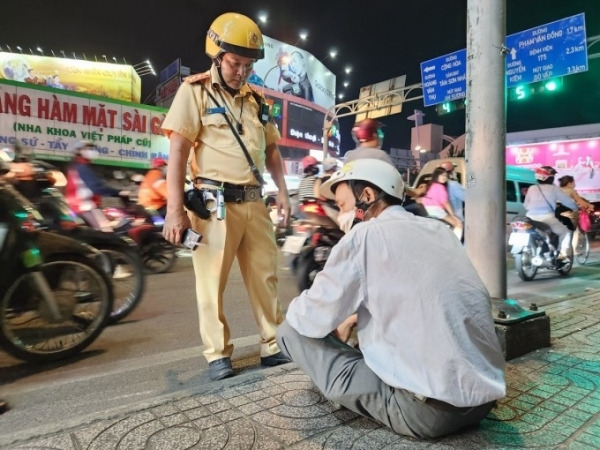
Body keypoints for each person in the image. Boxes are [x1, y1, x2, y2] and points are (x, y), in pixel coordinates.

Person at [276, 158, 506, 439]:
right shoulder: (439, 230)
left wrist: (331, 321)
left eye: (343, 205)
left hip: (427, 413)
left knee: (289, 330)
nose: (341, 214)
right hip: (482, 400)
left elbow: (309, 318)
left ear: (368, 196)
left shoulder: (364, 236)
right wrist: (352, 317)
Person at [161, 12, 292, 381]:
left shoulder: (258, 102)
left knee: (265, 277)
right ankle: (217, 354)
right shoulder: (195, 92)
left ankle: (273, 344)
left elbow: (272, 153)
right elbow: (178, 152)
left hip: (254, 203)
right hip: (214, 205)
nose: (242, 72)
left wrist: (283, 192)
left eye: (248, 65)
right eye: (236, 63)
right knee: (210, 283)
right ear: (216, 55)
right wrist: (175, 211)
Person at [65, 140, 127, 231]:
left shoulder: (77, 166)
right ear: (79, 151)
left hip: (81, 208)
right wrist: (118, 192)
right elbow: (95, 187)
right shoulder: (82, 167)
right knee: (106, 233)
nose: (91, 150)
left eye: (92, 148)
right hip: (85, 208)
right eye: (88, 148)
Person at [524, 166, 574, 259]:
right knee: (566, 232)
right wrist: (575, 207)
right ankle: (562, 254)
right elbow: (568, 202)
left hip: (530, 217)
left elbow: (526, 205)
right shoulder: (554, 189)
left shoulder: (532, 188)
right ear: (550, 178)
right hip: (546, 217)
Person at [421, 167, 463, 240]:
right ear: (437, 175)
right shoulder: (440, 187)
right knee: (458, 224)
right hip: (436, 210)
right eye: (442, 175)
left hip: (429, 210)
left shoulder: (431, 185)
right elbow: (445, 202)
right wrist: (453, 215)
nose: (444, 177)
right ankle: (455, 245)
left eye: (446, 175)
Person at [558, 174, 594, 252]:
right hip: (569, 213)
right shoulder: (571, 190)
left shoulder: (556, 190)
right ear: (569, 183)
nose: (574, 184)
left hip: (556, 213)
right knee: (574, 231)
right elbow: (580, 201)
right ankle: (573, 251)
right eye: (573, 182)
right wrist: (590, 206)